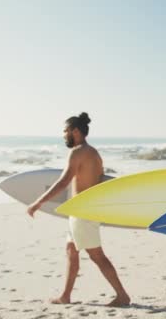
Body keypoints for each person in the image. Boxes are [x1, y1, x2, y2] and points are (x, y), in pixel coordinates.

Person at [27, 112, 130, 307]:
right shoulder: (93, 152)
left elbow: (64, 181)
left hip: (83, 211)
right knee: (71, 251)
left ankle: (122, 295)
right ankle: (65, 295)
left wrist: (38, 202)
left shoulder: (78, 152)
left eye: (66, 131)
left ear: (76, 131)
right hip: (82, 210)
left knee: (97, 255)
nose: (64, 134)